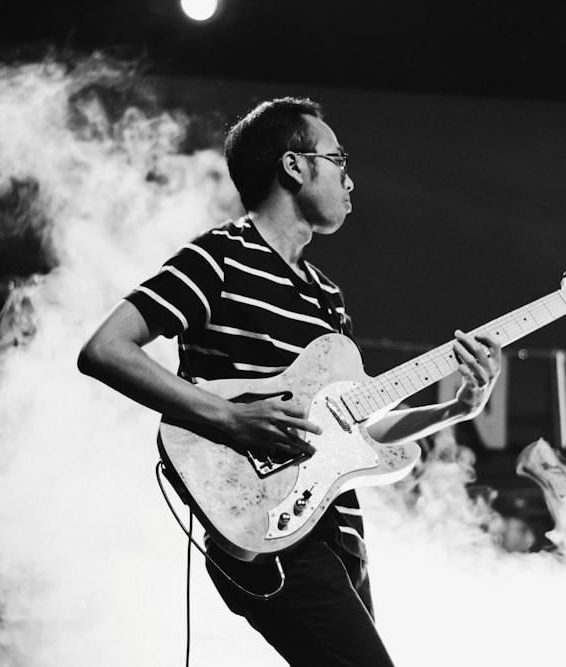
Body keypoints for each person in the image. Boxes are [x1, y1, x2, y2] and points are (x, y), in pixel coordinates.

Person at [77, 96, 502, 666]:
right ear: (294, 166)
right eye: (338, 159)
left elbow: (355, 429)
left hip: (337, 531)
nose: (351, 180)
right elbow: (104, 349)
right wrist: (230, 417)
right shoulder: (220, 257)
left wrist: (458, 407)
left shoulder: (328, 298)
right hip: (265, 529)